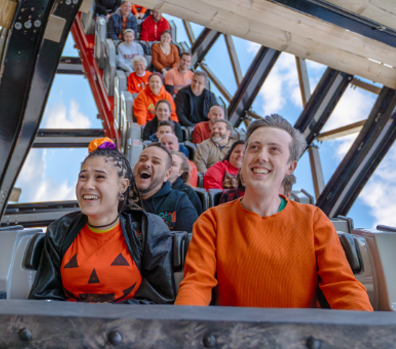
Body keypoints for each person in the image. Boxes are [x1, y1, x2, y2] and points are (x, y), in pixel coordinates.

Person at [175, 114, 373, 309]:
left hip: (300, 338)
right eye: (254, 147)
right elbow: (196, 285)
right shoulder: (212, 221)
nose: (261, 156)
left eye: (274, 150)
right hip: (234, 337)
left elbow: (342, 285)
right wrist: (182, 329)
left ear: (290, 167)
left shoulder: (313, 220)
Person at [29, 141, 174, 303]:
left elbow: (159, 298)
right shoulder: (60, 231)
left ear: (122, 186)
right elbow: (44, 296)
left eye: (100, 177)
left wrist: (108, 317)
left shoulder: (148, 228)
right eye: (83, 177)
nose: (88, 185)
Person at [133, 143, 198, 232]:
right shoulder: (120, 197)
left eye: (155, 161)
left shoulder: (179, 201)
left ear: (166, 175)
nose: (146, 164)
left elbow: (186, 241)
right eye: (142, 159)